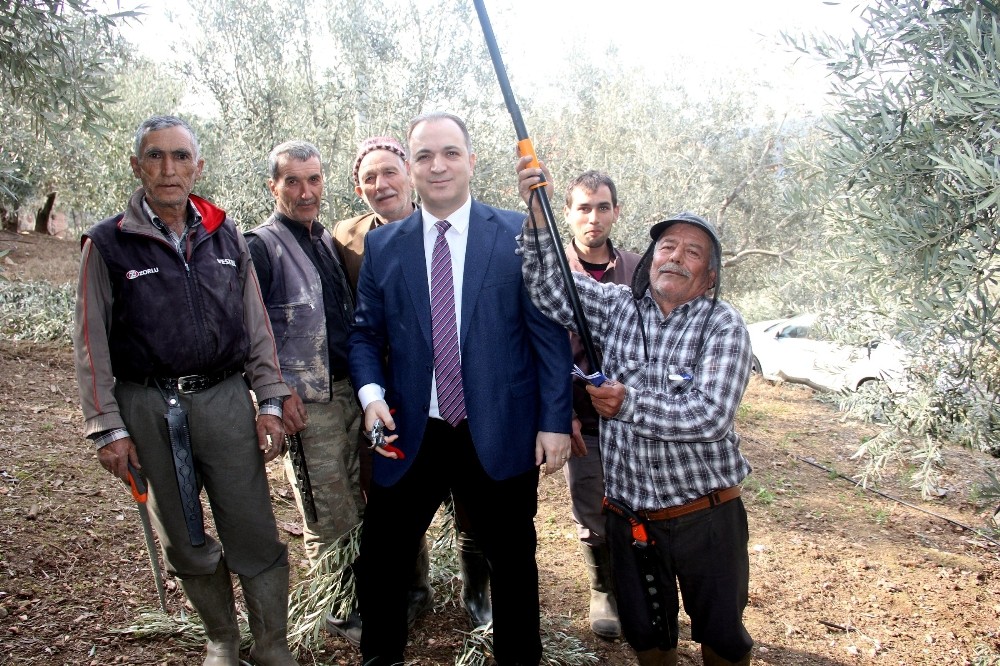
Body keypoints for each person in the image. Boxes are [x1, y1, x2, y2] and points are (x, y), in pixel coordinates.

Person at [348, 112, 573, 666]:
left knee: (514, 563)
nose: (437, 165)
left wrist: (553, 421)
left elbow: (548, 334)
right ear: (411, 167)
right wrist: (371, 395)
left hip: (498, 426)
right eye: (424, 156)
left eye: (450, 153)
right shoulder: (386, 248)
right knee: (380, 563)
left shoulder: (516, 234)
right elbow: (363, 335)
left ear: (472, 161)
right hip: (411, 431)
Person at [73, 115, 298, 666]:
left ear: (198, 166)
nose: (168, 168)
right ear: (136, 166)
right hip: (148, 405)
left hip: (223, 400)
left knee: (253, 527)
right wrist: (107, 425)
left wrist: (269, 399)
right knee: (182, 534)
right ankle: (221, 640)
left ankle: (270, 645)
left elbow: (256, 327)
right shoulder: (108, 245)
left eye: (180, 156)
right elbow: (89, 342)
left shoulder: (225, 234)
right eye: (155, 156)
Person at [517, 157, 754, 666]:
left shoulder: (724, 326)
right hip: (629, 517)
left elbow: (709, 415)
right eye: (667, 246)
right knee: (648, 637)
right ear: (650, 256)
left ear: (709, 274)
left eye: (692, 252)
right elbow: (547, 284)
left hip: (705, 515)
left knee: (722, 637)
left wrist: (628, 404)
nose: (675, 257)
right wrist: (536, 211)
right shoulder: (619, 307)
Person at [326, 136, 494, 645]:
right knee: (392, 500)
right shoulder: (349, 240)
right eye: (369, 178)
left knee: (473, 501)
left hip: (462, 395)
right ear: (359, 190)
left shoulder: (470, 232)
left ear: (410, 174)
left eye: (390, 172)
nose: (382, 185)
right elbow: (359, 326)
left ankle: (477, 590)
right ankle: (404, 594)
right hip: (391, 397)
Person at [245, 140, 361, 567]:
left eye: (313, 179)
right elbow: (246, 334)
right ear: (273, 187)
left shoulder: (326, 240)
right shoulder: (260, 246)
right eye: (292, 181)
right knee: (326, 515)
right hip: (306, 406)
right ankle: (336, 608)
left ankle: (355, 600)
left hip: (347, 395)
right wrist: (276, 395)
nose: (306, 192)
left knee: (353, 504)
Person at [560, 170, 640, 640]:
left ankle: (637, 587)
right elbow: (541, 349)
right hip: (581, 417)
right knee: (591, 504)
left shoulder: (638, 268)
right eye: (584, 208)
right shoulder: (555, 271)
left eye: (603, 207)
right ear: (568, 213)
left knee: (638, 504)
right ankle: (603, 588)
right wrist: (559, 412)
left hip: (632, 417)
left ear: (616, 211)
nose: (594, 218)